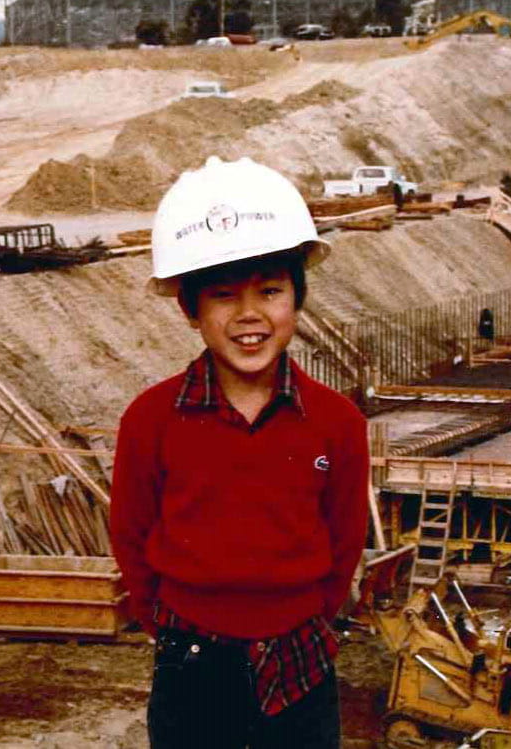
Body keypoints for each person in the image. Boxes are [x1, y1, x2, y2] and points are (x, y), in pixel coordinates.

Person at [111, 156, 369, 749]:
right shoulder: (151, 420)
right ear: (190, 309)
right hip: (191, 661)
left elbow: (343, 542)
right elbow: (131, 537)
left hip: (301, 653)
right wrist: (178, 629)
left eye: (271, 291)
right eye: (224, 295)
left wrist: (299, 617)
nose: (249, 315)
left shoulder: (338, 423)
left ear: (297, 301)